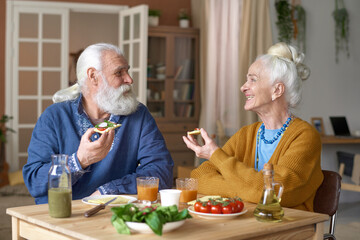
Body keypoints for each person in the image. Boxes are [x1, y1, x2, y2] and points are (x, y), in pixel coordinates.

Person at [23, 43, 174, 204]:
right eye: (119, 72)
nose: (129, 79)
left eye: (127, 71)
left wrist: (108, 192)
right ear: (93, 76)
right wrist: (79, 161)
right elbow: (34, 182)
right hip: (62, 216)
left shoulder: (139, 114)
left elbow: (161, 172)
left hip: (117, 214)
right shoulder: (54, 117)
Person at [183, 42, 323, 212]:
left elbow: (274, 195)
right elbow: (198, 178)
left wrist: (215, 154)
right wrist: (248, 190)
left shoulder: (305, 136)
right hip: (247, 222)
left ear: (277, 90)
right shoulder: (246, 134)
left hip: (288, 228)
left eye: (253, 80)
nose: (243, 87)